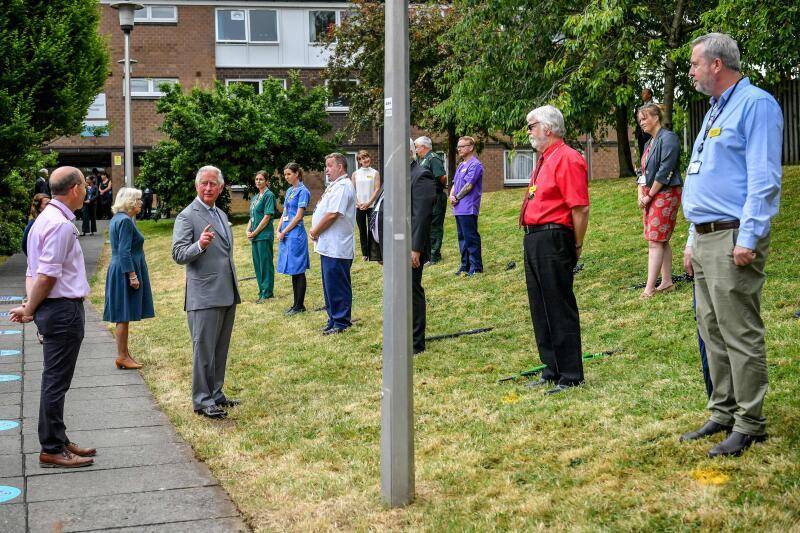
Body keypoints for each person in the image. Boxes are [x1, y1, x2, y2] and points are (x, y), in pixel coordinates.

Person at [679, 33, 783, 458]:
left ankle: (750, 422)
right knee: (712, 329)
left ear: (717, 64)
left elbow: (763, 177)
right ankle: (723, 410)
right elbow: (704, 176)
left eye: (694, 64)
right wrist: (689, 239)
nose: (691, 71)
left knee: (739, 331)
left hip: (732, 237)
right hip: (705, 238)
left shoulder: (755, 104)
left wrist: (750, 236)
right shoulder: (715, 109)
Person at [10, 166, 96, 468]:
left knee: (55, 379)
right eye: (84, 185)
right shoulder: (59, 224)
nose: (86, 190)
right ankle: (51, 447)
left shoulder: (43, 220)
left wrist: (30, 305)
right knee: (56, 381)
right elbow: (45, 275)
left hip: (52, 307)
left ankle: (58, 438)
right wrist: (31, 308)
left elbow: (33, 271)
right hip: (62, 310)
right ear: (74, 189)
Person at [520, 105, 590, 395]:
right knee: (540, 307)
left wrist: (575, 244)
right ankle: (551, 367)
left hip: (554, 237)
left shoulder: (567, 158)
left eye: (532, 126)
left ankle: (571, 373)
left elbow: (580, 207)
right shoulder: (543, 160)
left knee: (558, 306)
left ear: (548, 128)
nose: (529, 132)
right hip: (534, 237)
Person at [172, 165, 241, 419]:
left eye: (213, 184)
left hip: (226, 290)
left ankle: (216, 392)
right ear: (196, 185)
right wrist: (198, 245)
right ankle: (202, 400)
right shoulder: (187, 216)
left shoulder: (221, 214)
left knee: (220, 348)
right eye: (204, 183)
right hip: (203, 295)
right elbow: (178, 254)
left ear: (221, 188)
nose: (208, 188)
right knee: (203, 350)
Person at [103, 187, 155, 370]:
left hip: (119, 268)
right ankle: (122, 356)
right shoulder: (125, 221)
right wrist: (132, 275)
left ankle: (124, 354)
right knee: (122, 315)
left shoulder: (118, 219)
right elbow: (124, 251)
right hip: (125, 270)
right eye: (139, 200)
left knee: (122, 314)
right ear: (131, 201)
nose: (141, 203)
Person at [636, 102, 683, 298]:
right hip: (651, 194)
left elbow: (666, 170)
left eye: (645, 118)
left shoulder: (669, 138)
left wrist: (649, 195)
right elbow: (643, 171)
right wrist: (640, 192)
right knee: (660, 239)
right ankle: (666, 282)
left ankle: (649, 289)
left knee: (655, 240)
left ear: (656, 117)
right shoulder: (648, 143)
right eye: (640, 120)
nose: (642, 122)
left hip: (666, 193)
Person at [309, 153, 356, 335]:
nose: (326, 170)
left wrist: (315, 231)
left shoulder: (343, 186)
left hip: (338, 245)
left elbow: (332, 214)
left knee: (337, 284)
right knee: (329, 284)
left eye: (329, 166)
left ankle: (341, 321)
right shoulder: (335, 186)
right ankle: (333, 318)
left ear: (340, 167)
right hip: (329, 245)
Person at [277, 163, 311, 315]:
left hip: (295, 234)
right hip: (286, 233)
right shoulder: (290, 190)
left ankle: (300, 305)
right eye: (285, 175)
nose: (286, 177)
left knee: (298, 269)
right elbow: (285, 211)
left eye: (289, 174)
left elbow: (298, 217)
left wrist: (284, 231)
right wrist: (278, 229)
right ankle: (295, 304)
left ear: (297, 173)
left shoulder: (303, 191)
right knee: (293, 269)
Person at [450, 136, 484, 276]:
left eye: (462, 146)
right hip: (458, 207)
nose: (459, 149)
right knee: (462, 238)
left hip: (468, 207)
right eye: (458, 146)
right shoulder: (461, 165)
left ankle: (476, 267)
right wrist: (451, 195)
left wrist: (457, 197)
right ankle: (465, 266)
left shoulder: (475, 165)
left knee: (470, 238)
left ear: (470, 147)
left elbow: (469, 185)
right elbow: (454, 183)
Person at [415, 136, 448, 265]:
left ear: (424, 147)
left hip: (436, 197)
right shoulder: (423, 160)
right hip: (427, 197)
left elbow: (442, 177)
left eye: (417, 147)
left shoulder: (433, 158)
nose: (416, 150)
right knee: (427, 226)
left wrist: (437, 188)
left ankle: (435, 256)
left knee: (435, 226)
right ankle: (429, 254)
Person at [246, 170, 276, 303]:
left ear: (266, 181)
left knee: (265, 264)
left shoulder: (269, 195)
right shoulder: (255, 197)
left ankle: (267, 292)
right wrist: (248, 230)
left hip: (264, 235)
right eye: (257, 179)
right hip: (254, 236)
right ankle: (261, 290)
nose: (258, 181)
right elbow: (252, 217)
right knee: (258, 264)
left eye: (261, 179)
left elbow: (267, 216)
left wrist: (255, 232)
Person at [351, 150, 381, 261]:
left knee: (372, 229)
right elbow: (352, 190)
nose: (366, 160)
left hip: (371, 206)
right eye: (363, 158)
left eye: (367, 157)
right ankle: (365, 253)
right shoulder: (355, 174)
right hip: (359, 207)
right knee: (362, 230)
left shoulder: (375, 173)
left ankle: (373, 253)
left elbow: (377, 189)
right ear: (359, 161)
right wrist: (358, 203)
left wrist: (368, 202)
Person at [634, 88, 655, 157]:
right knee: (642, 154)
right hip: (641, 134)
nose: (642, 95)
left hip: (651, 134)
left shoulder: (654, 107)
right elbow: (636, 119)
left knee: (651, 154)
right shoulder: (638, 107)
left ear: (649, 95)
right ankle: (643, 167)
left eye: (644, 93)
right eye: (642, 93)